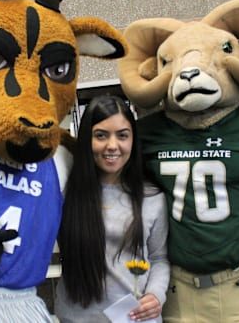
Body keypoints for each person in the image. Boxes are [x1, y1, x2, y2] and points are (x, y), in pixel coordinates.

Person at [55, 95, 170, 323]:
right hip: (77, 318)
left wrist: (156, 295)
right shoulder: (65, 192)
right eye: (101, 135)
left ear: (132, 140)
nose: (112, 146)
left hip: (135, 318)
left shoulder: (152, 197)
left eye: (122, 135)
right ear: (87, 139)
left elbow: (159, 258)